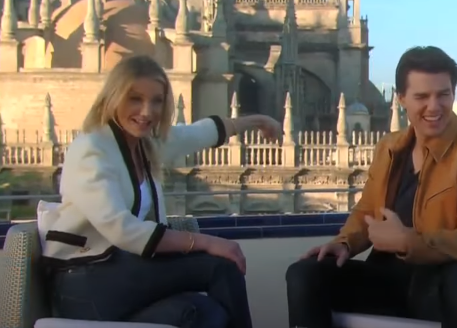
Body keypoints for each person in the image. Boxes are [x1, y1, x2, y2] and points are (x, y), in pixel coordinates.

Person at [39, 55, 281, 328]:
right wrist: (207, 242)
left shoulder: (143, 143)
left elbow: (196, 134)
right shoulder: (92, 148)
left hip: (124, 279)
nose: (147, 111)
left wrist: (257, 121)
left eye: (156, 101)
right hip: (86, 284)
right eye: (135, 99)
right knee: (220, 265)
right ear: (113, 97)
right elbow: (123, 229)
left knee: (204, 313)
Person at [285, 46, 457, 328]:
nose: (434, 106)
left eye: (443, 94)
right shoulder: (390, 147)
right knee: (303, 274)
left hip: (446, 283)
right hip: (389, 278)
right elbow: (367, 211)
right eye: (422, 97)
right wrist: (344, 243)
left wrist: (407, 241)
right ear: (401, 98)